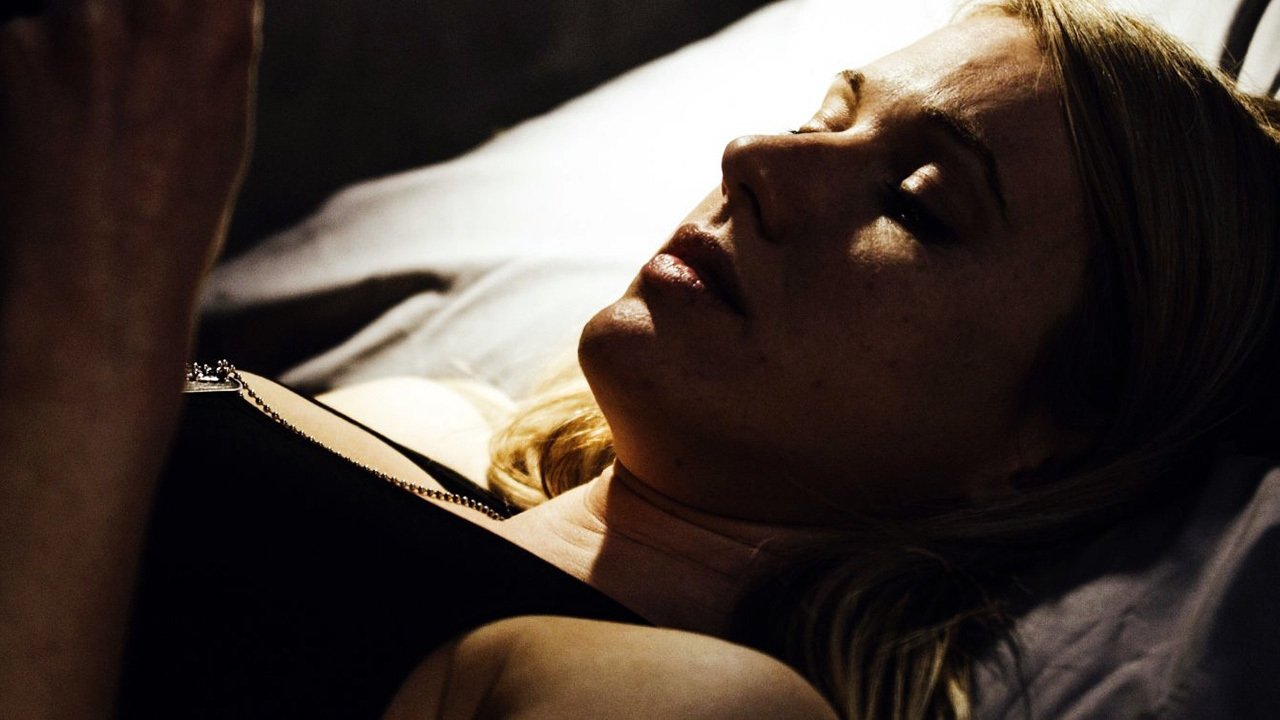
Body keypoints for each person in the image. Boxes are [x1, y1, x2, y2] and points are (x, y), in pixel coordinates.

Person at [1, 1, 1277, 719]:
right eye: (821, 119)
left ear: (1042, 445)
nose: (756, 163)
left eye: (919, 205)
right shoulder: (429, 419)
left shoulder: (692, 701)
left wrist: (94, 316)